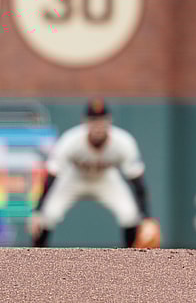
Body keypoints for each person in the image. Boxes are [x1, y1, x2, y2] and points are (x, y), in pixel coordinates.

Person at [29, 98, 151, 248]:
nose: (98, 126)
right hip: (74, 177)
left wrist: (146, 217)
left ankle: (131, 261)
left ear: (109, 121)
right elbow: (51, 176)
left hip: (106, 178)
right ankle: (35, 259)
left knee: (130, 215)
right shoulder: (70, 140)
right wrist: (37, 211)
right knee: (47, 216)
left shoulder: (123, 142)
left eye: (101, 121)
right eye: (93, 121)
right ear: (85, 122)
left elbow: (137, 181)